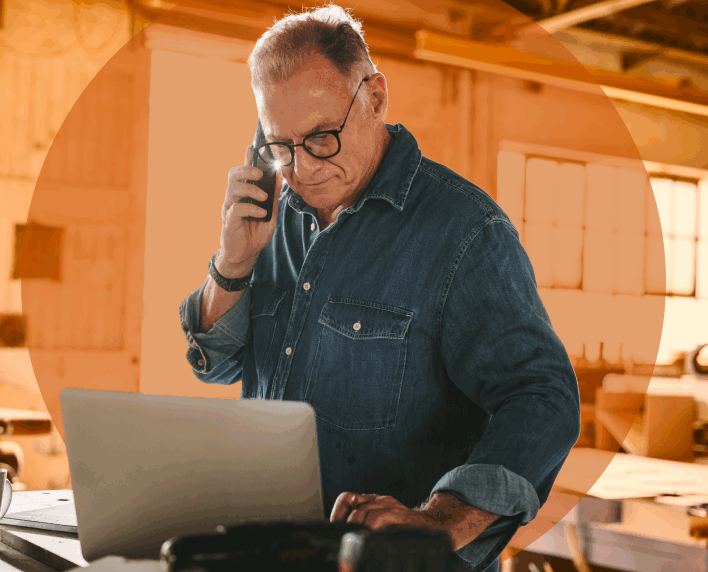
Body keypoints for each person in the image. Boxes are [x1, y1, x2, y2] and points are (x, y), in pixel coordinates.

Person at [177, 5, 580, 572]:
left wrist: (438, 523)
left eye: (320, 138)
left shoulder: (465, 233)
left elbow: (542, 399)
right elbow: (212, 364)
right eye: (279, 146)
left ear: (375, 97)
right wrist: (234, 260)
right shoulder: (274, 216)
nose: (301, 169)